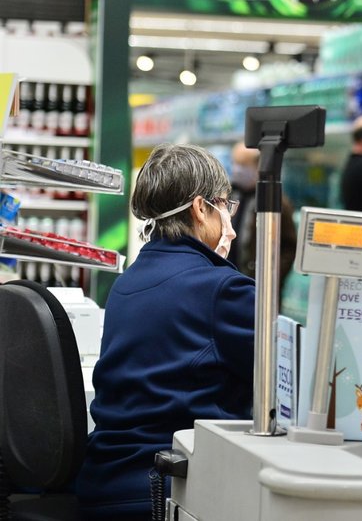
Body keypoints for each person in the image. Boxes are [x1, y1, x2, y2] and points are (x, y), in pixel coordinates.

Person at [77, 144, 255, 520]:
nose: (231, 224)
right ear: (200, 208)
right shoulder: (222, 289)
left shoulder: (126, 284)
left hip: (104, 487)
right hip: (167, 494)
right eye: (225, 204)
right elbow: (303, 368)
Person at [228, 141, 298, 292]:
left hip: (258, 287)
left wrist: (271, 277)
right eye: (234, 162)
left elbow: (290, 246)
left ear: (257, 166)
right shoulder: (227, 194)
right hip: (227, 280)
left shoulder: (276, 201)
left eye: (242, 164)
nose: (236, 169)